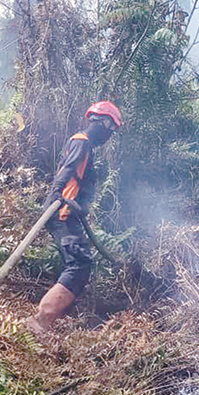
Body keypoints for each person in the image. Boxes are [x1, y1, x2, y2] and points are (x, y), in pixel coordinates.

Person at [25, 100, 122, 341]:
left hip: (68, 212)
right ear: (103, 123)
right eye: (111, 129)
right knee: (79, 264)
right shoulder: (83, 141)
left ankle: (46, 319)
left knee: (79, 262)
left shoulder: (84, 144)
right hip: (61, 212)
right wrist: (58, 194)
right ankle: (40, 320)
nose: (110, 135)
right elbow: (66, 171)